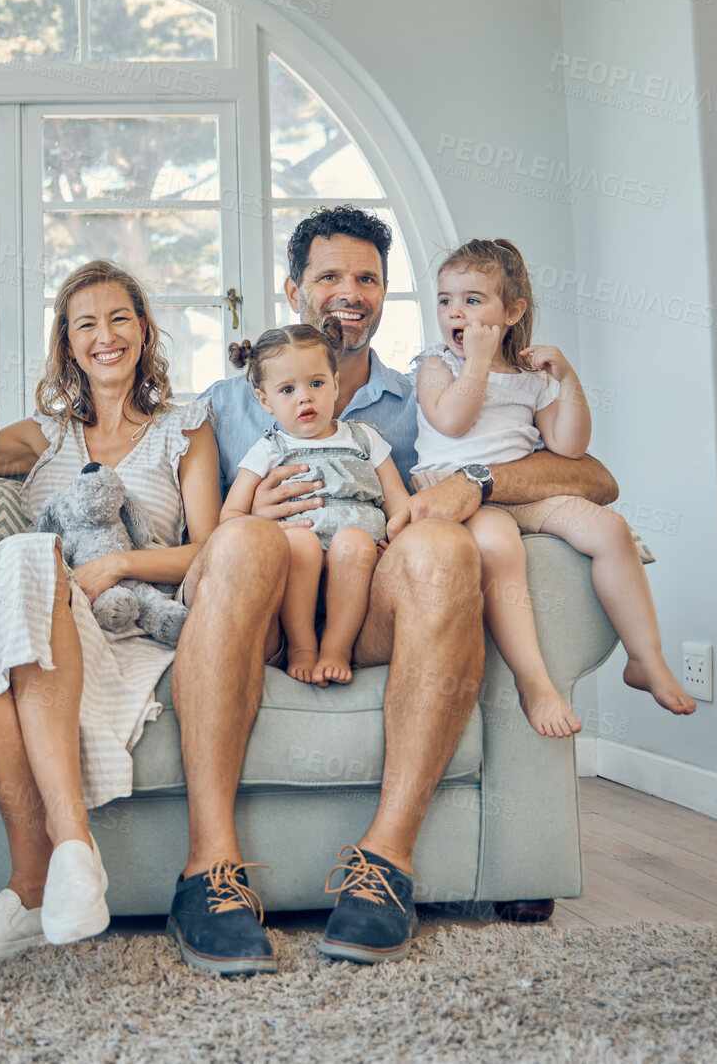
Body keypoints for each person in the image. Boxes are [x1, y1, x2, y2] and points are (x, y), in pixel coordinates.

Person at [188, 206, 622, 969]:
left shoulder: (431, 389)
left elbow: (591, 476)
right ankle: (211, 869)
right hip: (264, 606)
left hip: (373, 604)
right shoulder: (230, 403)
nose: (349, 292)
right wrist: (241, 516)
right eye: (329, 275)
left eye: (367, 277)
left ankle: (384, 860)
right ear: (293, 290)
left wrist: (474, 480)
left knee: (440, 546)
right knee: (248, 536)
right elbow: (196, 546)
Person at [0, 260, 223, 968]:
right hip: (32, 622)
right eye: (85, 324)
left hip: (123, 623)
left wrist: (119, 563)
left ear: (143, 329)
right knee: (17, 569)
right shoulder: (42, 435)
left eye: (119, 318)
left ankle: (38, 880)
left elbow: (208, 550)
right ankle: (61, 857)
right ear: (66, 344)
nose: (104, 336)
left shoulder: (183, 430)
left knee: (24, 566)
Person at [411, 238, 695, 737]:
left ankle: (645, 658)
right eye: (445, 300)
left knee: (610, 530)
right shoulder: (438, 365)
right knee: (499, 544)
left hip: (523, 487)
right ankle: (534, 683)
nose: (456, 312)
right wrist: (476, 361)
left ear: (512, 311)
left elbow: (568, 447)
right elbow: (452, 421)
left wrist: (567, 380)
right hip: (456, 490)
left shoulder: (529, 376)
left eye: (473, 300)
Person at [221, 319, 411, 686]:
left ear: (336, 384)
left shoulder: (365, 438)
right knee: (299, 541)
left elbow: (398, 502)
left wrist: (399, 545)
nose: (304, 397)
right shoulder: (270, 448)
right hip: (297, 562)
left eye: (317, 383)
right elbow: (230, 514)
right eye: (287, 389)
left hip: (360, 565)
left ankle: (336, 648)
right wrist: (261, 527)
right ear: (265, 400)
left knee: (354, 541)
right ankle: (303, 646)